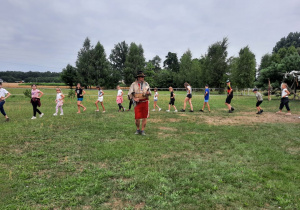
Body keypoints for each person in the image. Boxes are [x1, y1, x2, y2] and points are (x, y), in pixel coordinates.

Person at [128, 71, 151, 135]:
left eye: (143, 77)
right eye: (141, 77)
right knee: (137, 117)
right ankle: (138, 129)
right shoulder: (133, 84)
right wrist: (134, 98)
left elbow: (150, 92)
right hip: (137, 103)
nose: (142, 78)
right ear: (138, 77)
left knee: (144, 117)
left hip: (145, 101)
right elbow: (129, 94)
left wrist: (148, 93)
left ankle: (143, 130)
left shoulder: (146, 84)